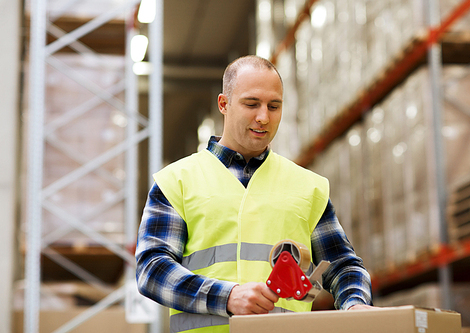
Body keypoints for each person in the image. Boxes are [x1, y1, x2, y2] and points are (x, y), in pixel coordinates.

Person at [135, 55, 372, 333]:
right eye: (251, 104)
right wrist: (228, 296)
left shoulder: (309, 187)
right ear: (224, 104)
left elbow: (342, 265)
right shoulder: (176, 182)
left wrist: (354, 304)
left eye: (274, 106)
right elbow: (152, 270)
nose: (263, 117)